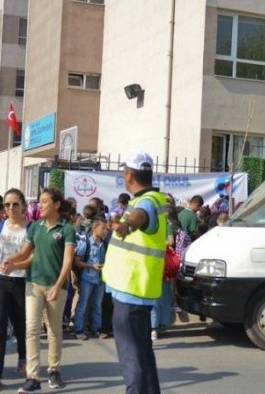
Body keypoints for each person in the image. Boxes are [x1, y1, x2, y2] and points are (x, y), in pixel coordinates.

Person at [103, 151, 167, 394]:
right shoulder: (152, 198)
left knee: (132, 361)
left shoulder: (146, 202)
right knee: (143, 356)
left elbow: (141, 216)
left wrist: (128, 224)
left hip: (130, 292)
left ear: (128, 175)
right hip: (138, 290)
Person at [3, 187, 75, 393]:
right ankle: (32, 377)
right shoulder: (35, 227)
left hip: (56, 287)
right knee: (32, 330)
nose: (40, 205)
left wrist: (57, 285)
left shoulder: (67, 229)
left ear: (57, 205)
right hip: (33, 284)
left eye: (44, 201)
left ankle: (54, 370)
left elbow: (68, 261)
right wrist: (10, 261)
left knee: (54, 331)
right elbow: (25, 252)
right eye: (39, 202)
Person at [0, 188, 29, 392]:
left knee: (21, 325)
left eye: (15, 204)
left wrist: (16, 265)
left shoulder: (31, 228)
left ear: (23, 206)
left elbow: (32, 257)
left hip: (21, 282)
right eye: (7, 204)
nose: (10, 208)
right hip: (0, 280)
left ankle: (23, 358)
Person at [73, 217, 109, 340]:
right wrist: (91, 266)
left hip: (100, 280)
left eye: (106, 228)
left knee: (97, 305)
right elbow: (77, 261)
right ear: (94, 228)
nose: (105, 231)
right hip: (87, 278)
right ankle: (79, 330)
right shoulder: (86, 243)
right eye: (103, 228)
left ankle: (97, 329)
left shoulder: (104, 244)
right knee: (82, 304)